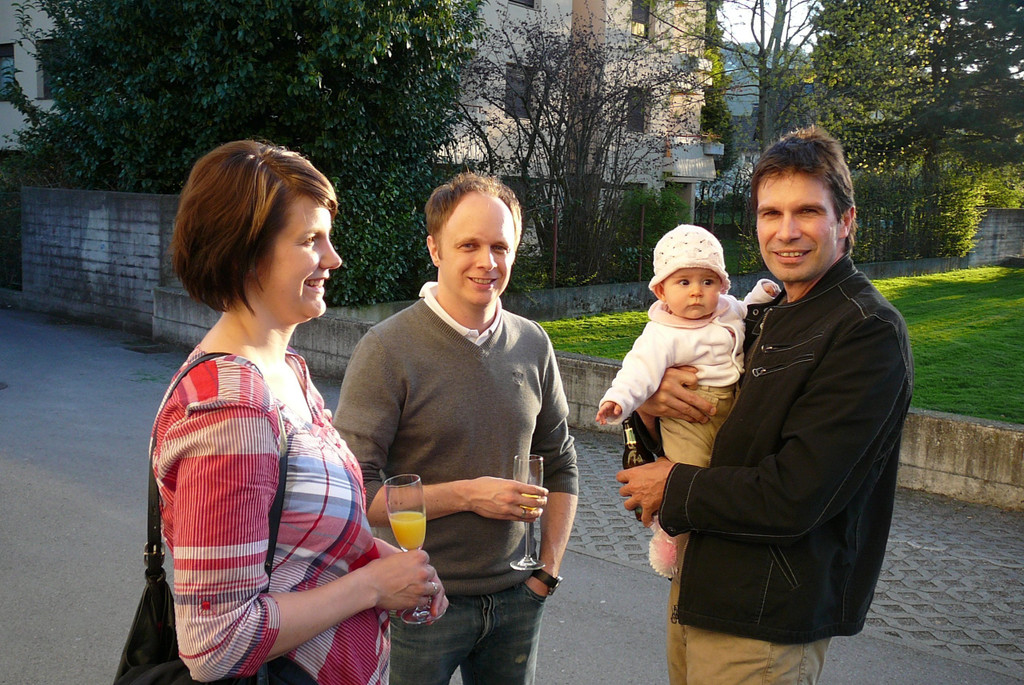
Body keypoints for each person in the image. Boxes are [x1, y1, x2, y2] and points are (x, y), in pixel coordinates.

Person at [616, 126, 914, 684]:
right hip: (702, 585)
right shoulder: (764, 314)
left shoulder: (864, 330)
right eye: (770, 213)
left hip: (766, 617)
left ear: (846, 221)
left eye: (808, 211)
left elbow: (797, 494)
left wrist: (673, 487)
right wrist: (653, 404)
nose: (786, 231)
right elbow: (719, 430)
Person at [153, 140, 447, 684]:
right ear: (246, 254)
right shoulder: (233, 411)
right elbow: (216, 642)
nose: (333, 259)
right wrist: (372, 586)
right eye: (311, 240)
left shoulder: (286, 371)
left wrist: (382, 560)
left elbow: (294, 537)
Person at [333, 171, 579, 685]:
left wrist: (547, 573)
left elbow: (561, 463)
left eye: (500, 246)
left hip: (518, 600)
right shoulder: (387, 349)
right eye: (469, 245)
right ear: (435, 249)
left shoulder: (533, 343)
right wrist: (469, 495)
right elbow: (355, 493)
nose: (487, 262)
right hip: (419, 602)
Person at [596, 224, 777, 577]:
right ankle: (669, 536)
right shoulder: (662, 333)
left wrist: (761, 294)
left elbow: (746, 312)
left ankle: (704, 544)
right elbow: (639, 370)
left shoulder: (725, 310)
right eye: (684, 282)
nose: (697, 292)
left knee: (717, 474)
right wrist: (619, 399)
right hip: (687, 418)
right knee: (684, 476)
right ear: (661, 290)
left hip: (730, 406)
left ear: (722, 286)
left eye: (707, 282)